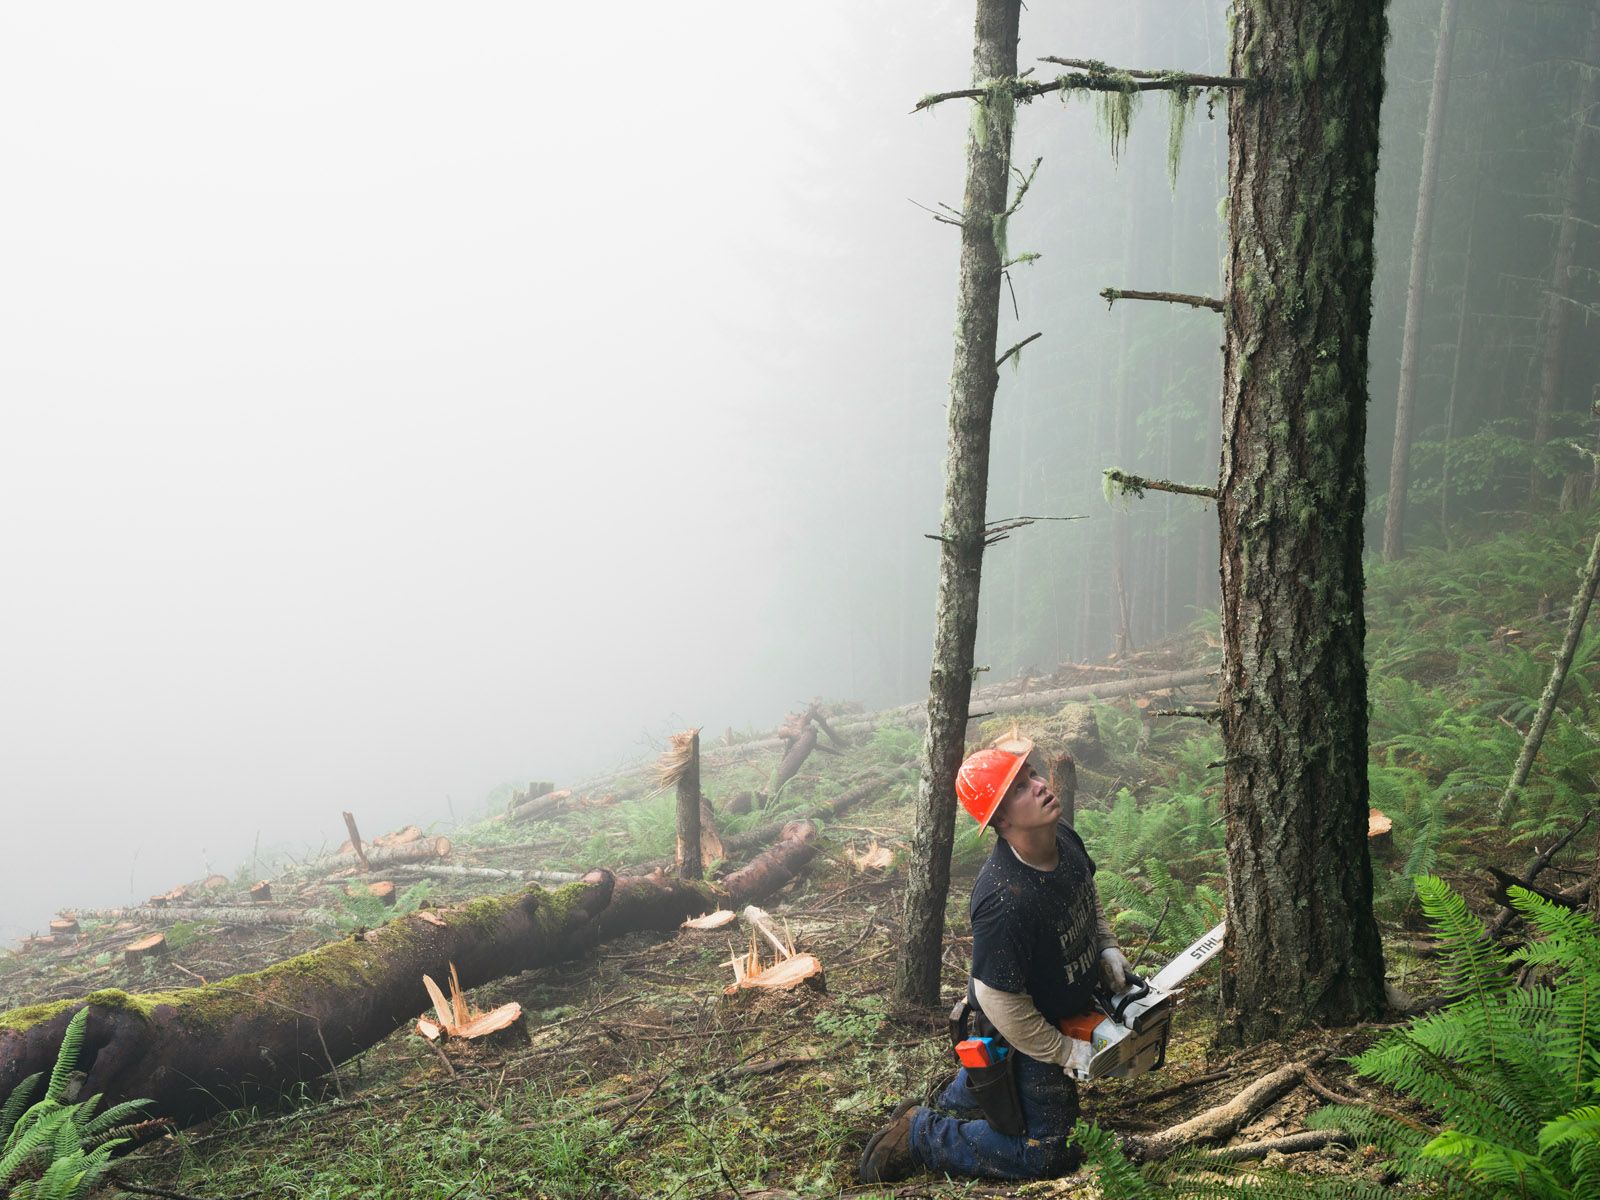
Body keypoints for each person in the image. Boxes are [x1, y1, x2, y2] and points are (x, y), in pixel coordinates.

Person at [858, 737, 1130, 1183]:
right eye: (1021, 788)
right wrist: (1062, 1051)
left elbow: (1086, 888)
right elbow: (997, 998)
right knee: (1047, 1155)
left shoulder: (1061, 835)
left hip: (1058, 1008)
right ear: (1000, 818)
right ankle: (923, 1135)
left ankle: (950, 1102)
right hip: (1024, 1026)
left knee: (991, 1079)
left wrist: (1106, 945)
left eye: (1033, 776)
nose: (1041, 786)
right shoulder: (1005, 898)